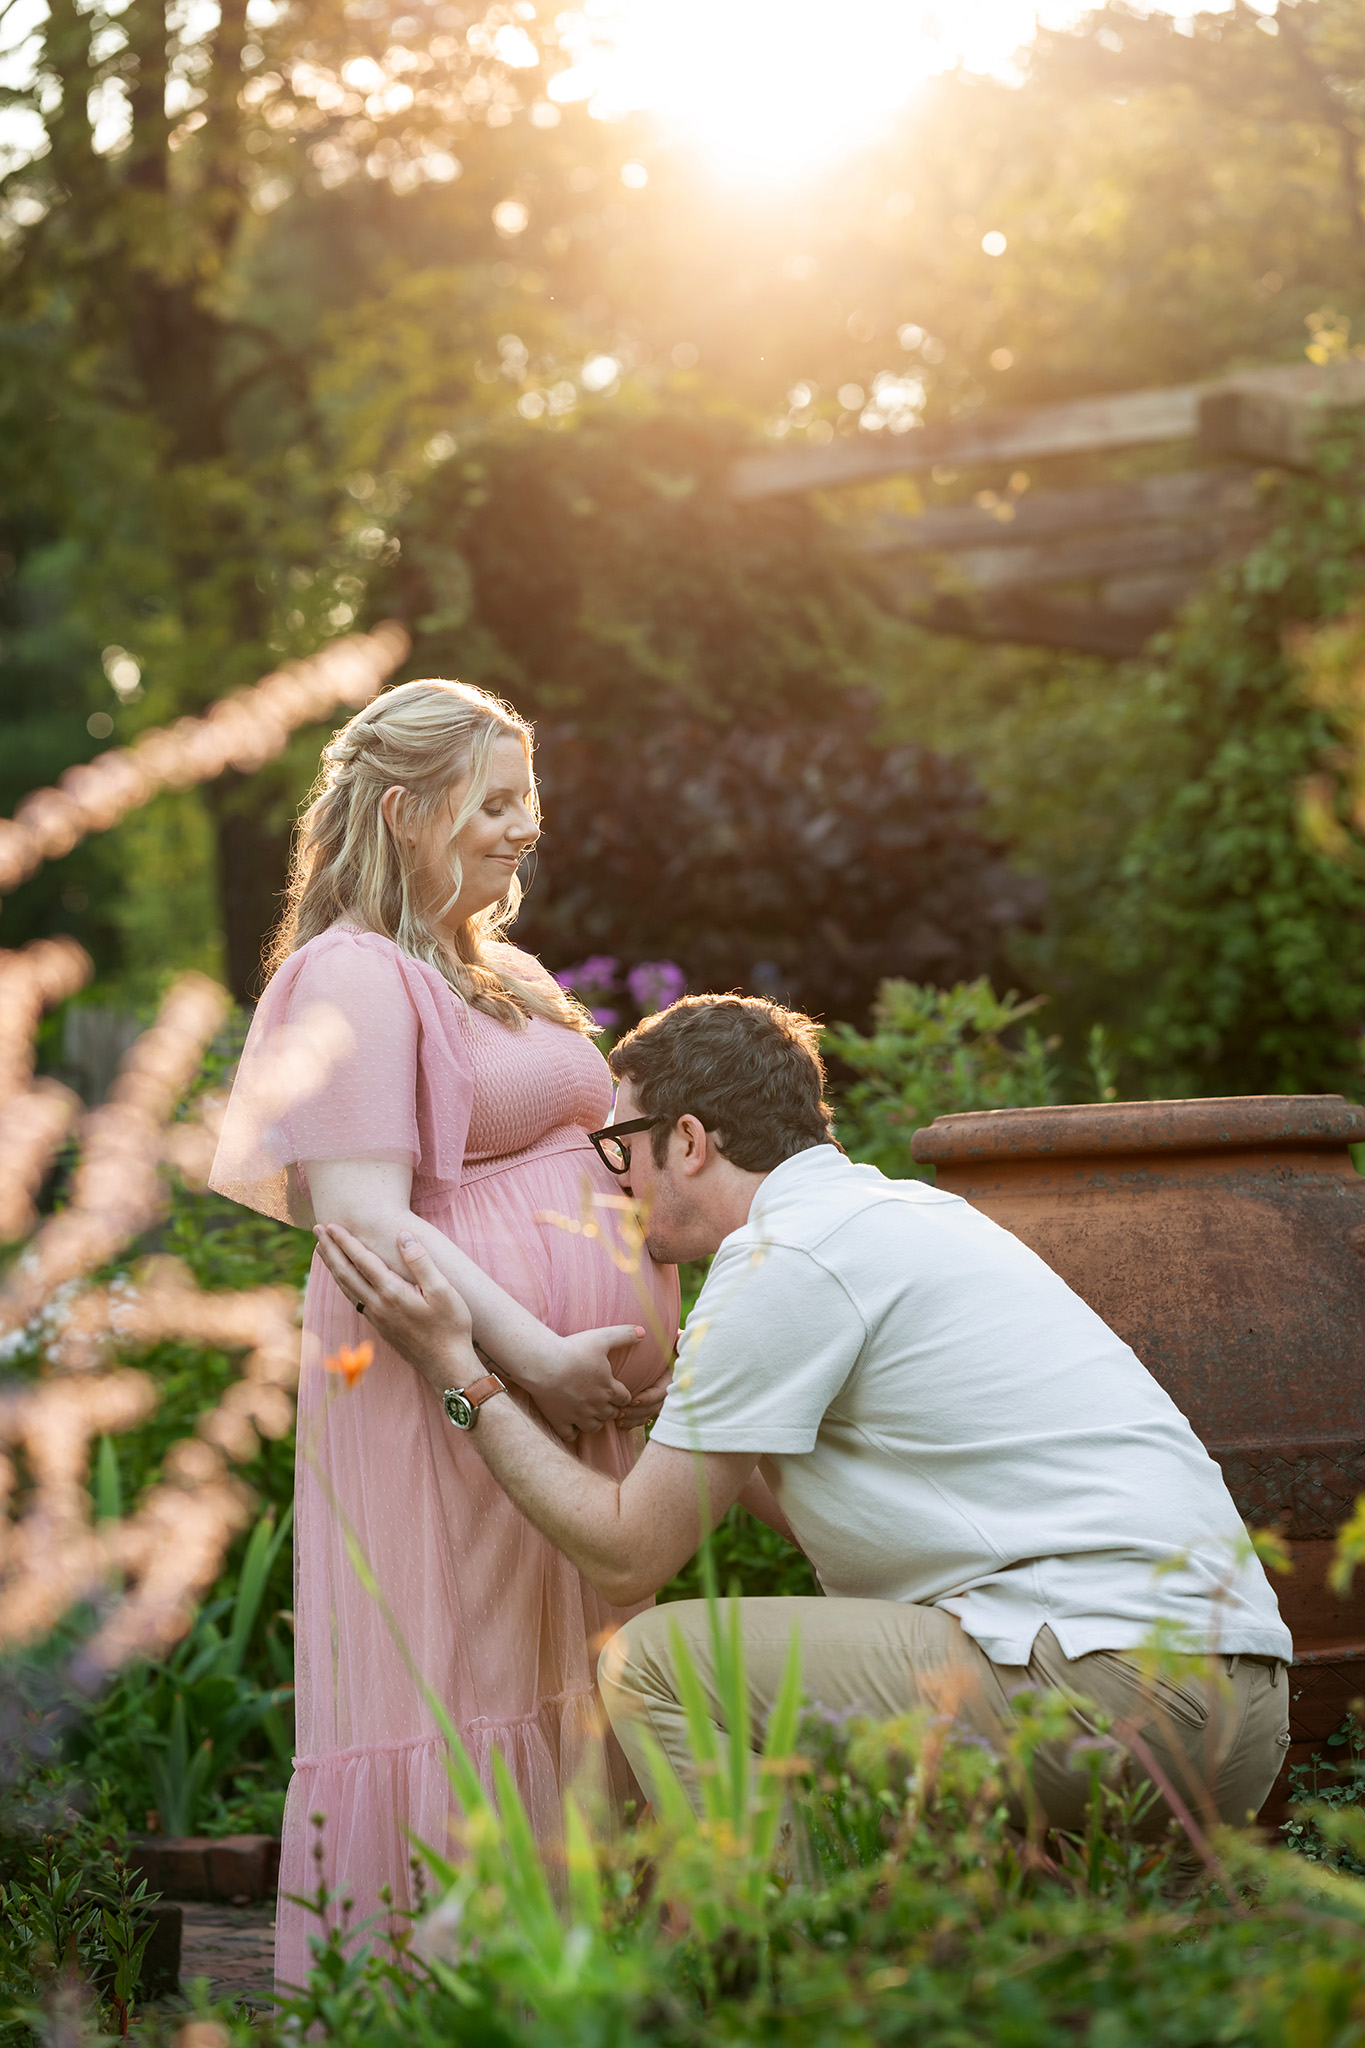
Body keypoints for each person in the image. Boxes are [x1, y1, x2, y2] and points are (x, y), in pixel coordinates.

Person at [313, 992, 1293, 1857]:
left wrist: (459, 1367)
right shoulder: (900, 1215)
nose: (617, 1180)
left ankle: (773, 1966)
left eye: (623, 1145)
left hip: (1111, 1689)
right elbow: (891, 1507)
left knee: (655, 1662)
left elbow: (625, 1557)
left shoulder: (786, 1260)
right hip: (1235, 1704)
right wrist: (708, 1431)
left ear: (688, 1139)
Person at [208, 679, 678, 1988]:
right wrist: (534, 1357)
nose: (527, 826)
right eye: (496, 798)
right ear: (408, 811)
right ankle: (431, 1995)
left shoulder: (500, 969)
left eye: (532, 796)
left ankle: (570, 1983)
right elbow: (361, 1219)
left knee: (558, 1675)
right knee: (465, 1678)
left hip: (559, 1408)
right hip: (445, 1386)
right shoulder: (349, 976)